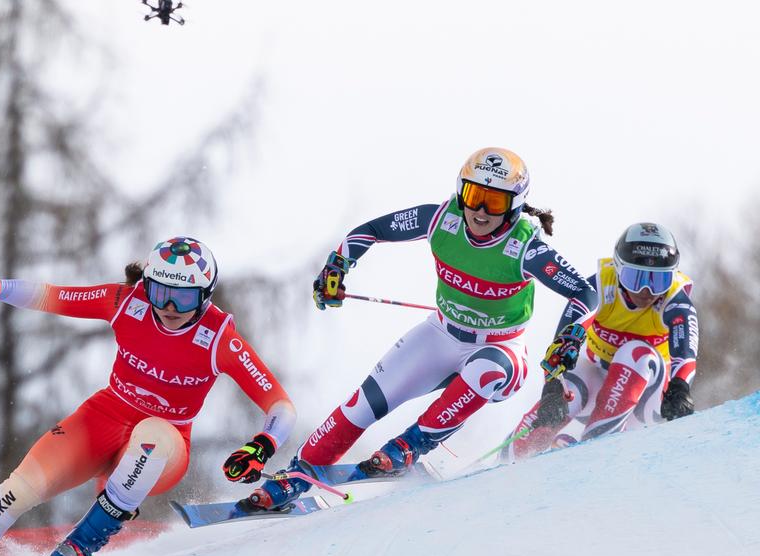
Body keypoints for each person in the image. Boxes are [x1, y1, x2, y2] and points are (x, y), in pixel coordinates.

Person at [0, 237, 296, 556]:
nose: (169, 306)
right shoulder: (125, 301)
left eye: (184, 296)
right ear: (147, 286)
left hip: (165, 443)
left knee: (151, 437)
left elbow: (279, 405)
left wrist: (261, 445)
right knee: (17, 489)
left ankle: (81, 546)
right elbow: (53, 296)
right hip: (103, 418)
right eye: (159, 292)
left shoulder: (218, 337)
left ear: (205, 296)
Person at [242, 147, 597, 511]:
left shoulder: (525, 247)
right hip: (440, 335)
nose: (480, 211)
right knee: (362, 406)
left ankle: (409, 447)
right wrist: (337, 265)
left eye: (494, 201)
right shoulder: (441, 220)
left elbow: (585, 291)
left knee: (484, 370)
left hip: (502, 350)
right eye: (474, 196)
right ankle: (295, 477)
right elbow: (372, 230)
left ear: (515, 205)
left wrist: (570, 334)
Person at [506, 222, 698, 458]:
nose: (647, 291)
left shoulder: (674, 297)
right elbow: (561, 344)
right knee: (569, 387)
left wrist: (680, 389)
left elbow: (686, 352)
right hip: (600, 386)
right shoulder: (601, 285)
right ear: (618, 269)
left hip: (648, 402)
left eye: (659, 280)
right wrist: (553, 391)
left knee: (636, 352)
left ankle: (594, 450)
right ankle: (506, 461)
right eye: (635, 278)